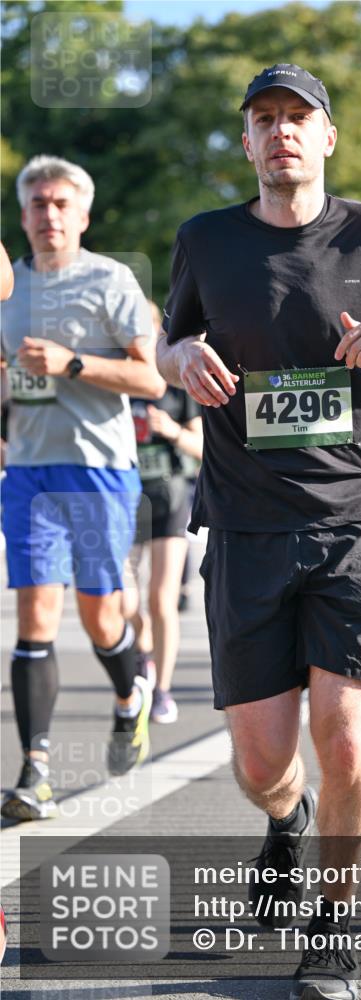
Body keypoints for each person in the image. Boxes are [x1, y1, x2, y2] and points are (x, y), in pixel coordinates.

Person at [156, 63, 361, 1000]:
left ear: (327, 136)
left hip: (352, 522)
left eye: (299, 117)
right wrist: (180, 358)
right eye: (264, 119)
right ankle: (284, 823)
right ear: (246, 142)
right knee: (261, 761)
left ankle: (333, 931)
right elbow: (170, 343)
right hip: (245, 524)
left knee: (345, 736)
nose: (282, 131)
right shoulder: (204, 240)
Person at [0, 155, 164, 821]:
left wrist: (72, 363)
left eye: (61, 203)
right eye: (37, 204)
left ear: (83, 214)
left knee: (101, 616)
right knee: (35, 614)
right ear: (23, 215)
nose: (49, 215)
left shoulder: (111, 279)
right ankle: (34, 771)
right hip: (30, 473)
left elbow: (152, 381)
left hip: (100, 470)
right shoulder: (9, 292)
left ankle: (132, 695)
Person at [124, 302, 203, 723]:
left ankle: (163, 690)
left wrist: (170, 430)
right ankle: (142, 647)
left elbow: (202, 447)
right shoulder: (114, 379)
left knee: (162, 597)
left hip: (170, 497)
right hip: (122, 498)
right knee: (122, 597)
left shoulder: (177, 384)